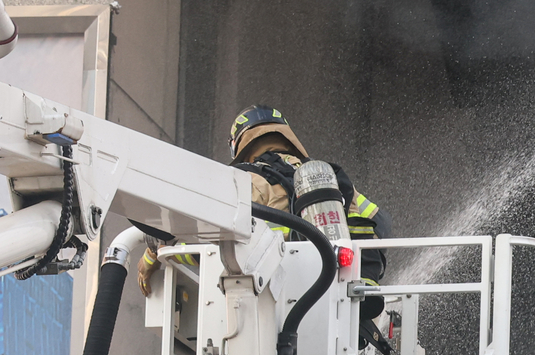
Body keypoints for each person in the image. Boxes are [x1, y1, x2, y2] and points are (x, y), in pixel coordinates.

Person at [137, 104, 390, 296]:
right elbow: (380, 224)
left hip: (278, 301)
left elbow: (208, 246)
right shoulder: (326, 178)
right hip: (341, 294)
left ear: (238, 143)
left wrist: (157, 252)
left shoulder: (243, 180)